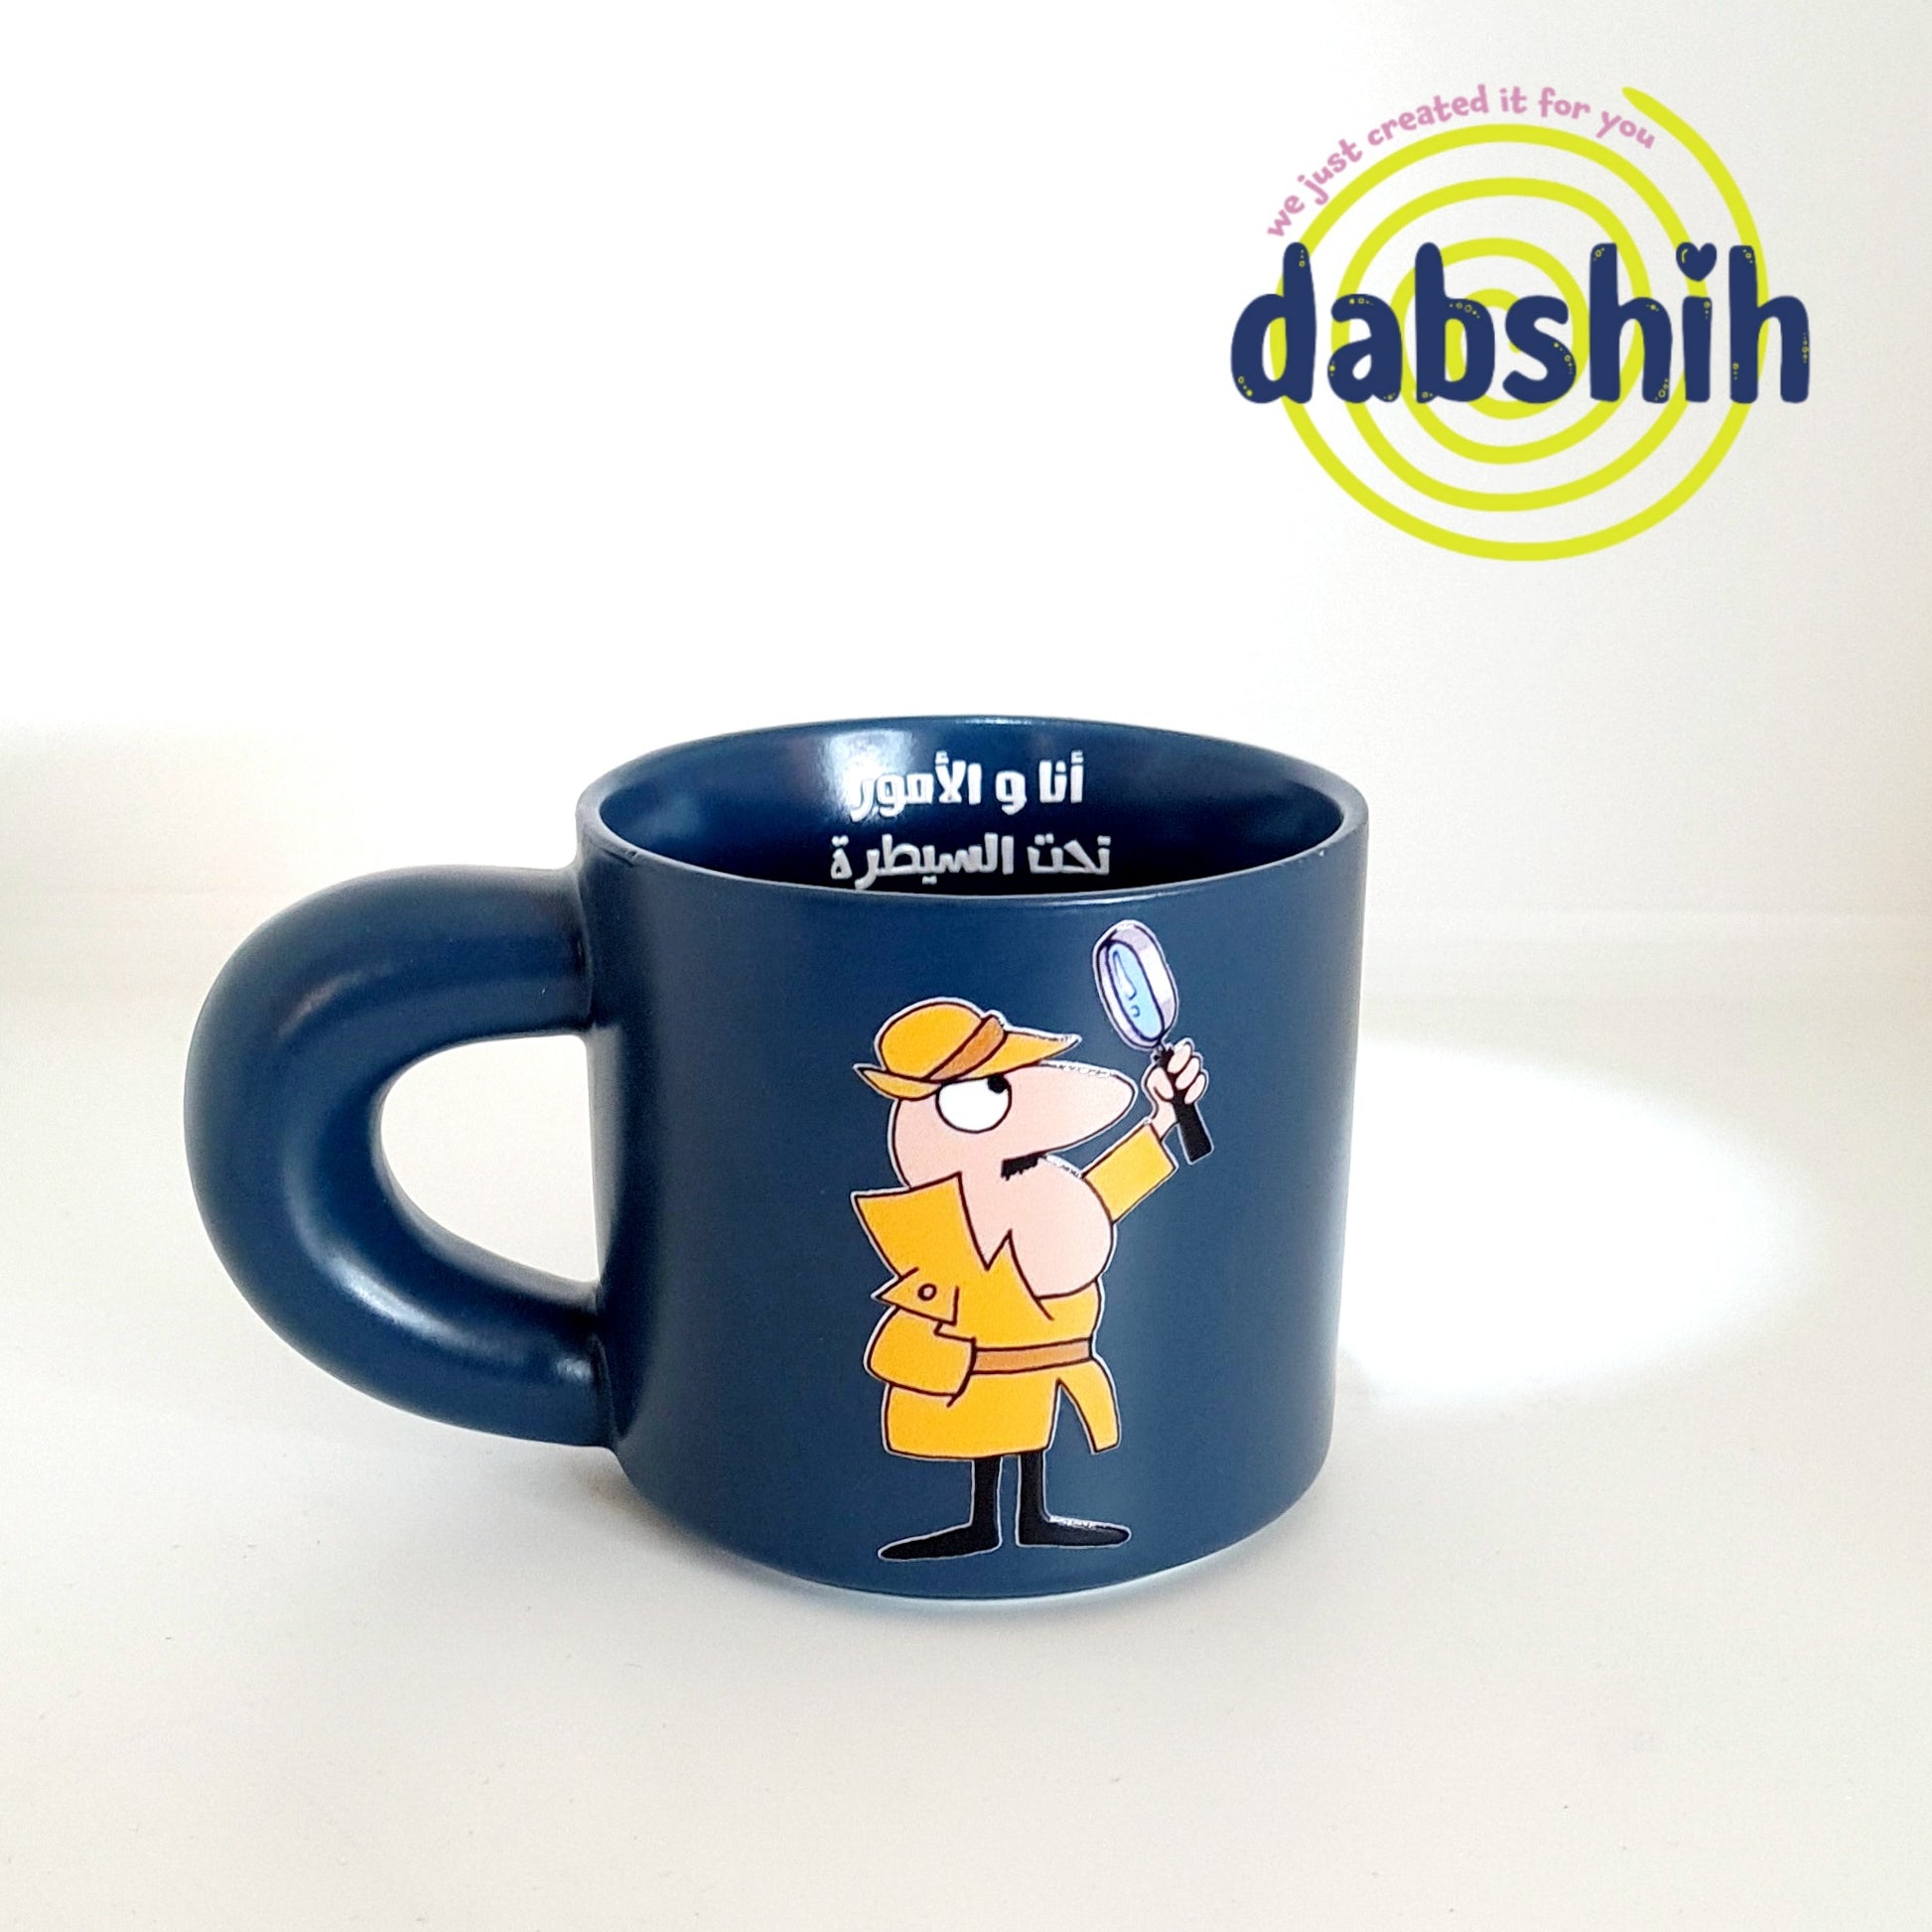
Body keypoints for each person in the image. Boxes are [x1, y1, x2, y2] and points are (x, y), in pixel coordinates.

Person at [853, 998, 1207, 1560]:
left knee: (1029, 1420)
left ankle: (1032, 1517)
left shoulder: (1040, 1189)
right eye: (990, 1089)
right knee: (989, 1425)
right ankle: (983, 1523)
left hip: (1047, 1353)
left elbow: (1098, 1202)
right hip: (987, 1358)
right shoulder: (952, 1210)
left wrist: (1163, 1119)